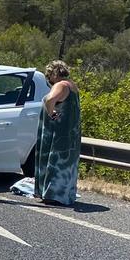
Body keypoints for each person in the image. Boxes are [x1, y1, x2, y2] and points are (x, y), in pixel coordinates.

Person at [34, 60, 81, 205]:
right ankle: (64, 195)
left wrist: (51, 113)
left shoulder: (60, 85)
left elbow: (50, 99)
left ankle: (53, 195)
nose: (48, 78)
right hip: (70, 132)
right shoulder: (72, 86)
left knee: (54, 162)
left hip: (57, 133)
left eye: (49, 75)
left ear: (54, 73)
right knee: (67, 165)